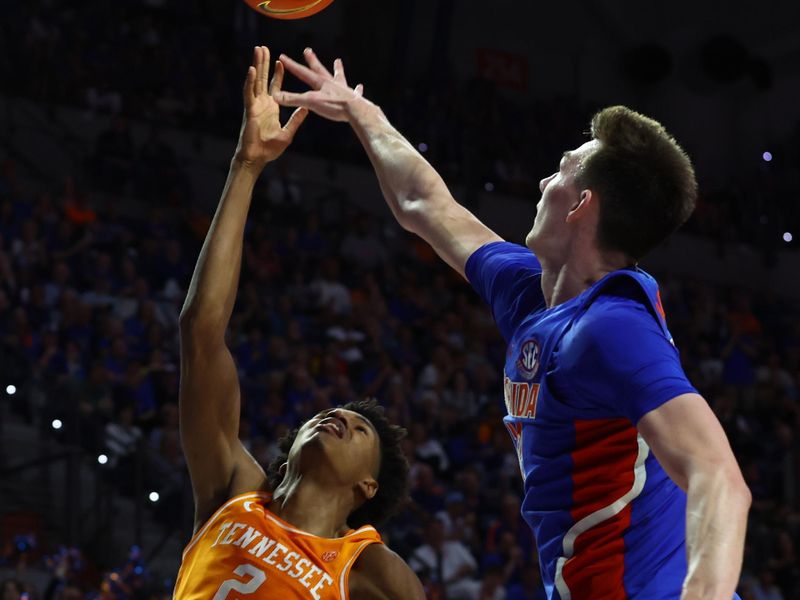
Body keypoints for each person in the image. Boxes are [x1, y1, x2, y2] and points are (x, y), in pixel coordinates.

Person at [276, 48, 752, 599]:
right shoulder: (532, 293)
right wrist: (361, 114)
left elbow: (719, 477)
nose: (544, 180)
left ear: (580, 206)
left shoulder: (611, 326)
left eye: (561, 169)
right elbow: (422, 203)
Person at [173, 46, 424, 600]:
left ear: (368, 486)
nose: (340, 416)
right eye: (339, 414)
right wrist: (247, 166)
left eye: (359, 430)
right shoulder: (232, 488)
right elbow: (201, 332)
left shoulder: (371, 572)